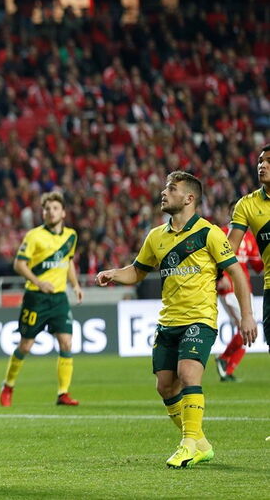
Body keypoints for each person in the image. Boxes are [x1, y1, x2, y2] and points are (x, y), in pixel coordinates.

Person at [96, 171, 258, 468]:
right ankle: (199, 441)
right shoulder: (156, 236)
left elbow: (236, 273)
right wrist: (114, 273)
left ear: (189, 198)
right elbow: (137, 270)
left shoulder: (209, 233)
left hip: (200, 318)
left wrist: (247, 315)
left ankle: (187, 444)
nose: (163, 193)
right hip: (168, 321)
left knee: (188, 375)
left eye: (171, 189)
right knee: (165, 387)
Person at [0, 191, 84, 407]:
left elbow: (68, 261)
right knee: (26, 345)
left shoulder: (71, 236)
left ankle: (63, 393)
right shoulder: (34, 236)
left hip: (59, 298)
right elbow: (19, 264)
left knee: (66, 342)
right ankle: (8, 385)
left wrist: (75, 285)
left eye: (55, 208)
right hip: (36, 298)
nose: (50, 212)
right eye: (47, 209)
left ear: (63, 212)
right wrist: (39, 283)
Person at [225, 145, 270, 353]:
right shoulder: (246, 205)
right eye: (260, 161)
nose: (263, 165)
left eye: (269, 161)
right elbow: (228, 249)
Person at [215, 211, 262, 381]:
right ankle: (224, 360)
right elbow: (213, 258)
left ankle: (226, 368)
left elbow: (258, 265)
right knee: (247, 328)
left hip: (244, 290)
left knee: (246, 330)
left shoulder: (250, 238)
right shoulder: (220, 233)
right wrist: (221, 277)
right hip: (229, 290)